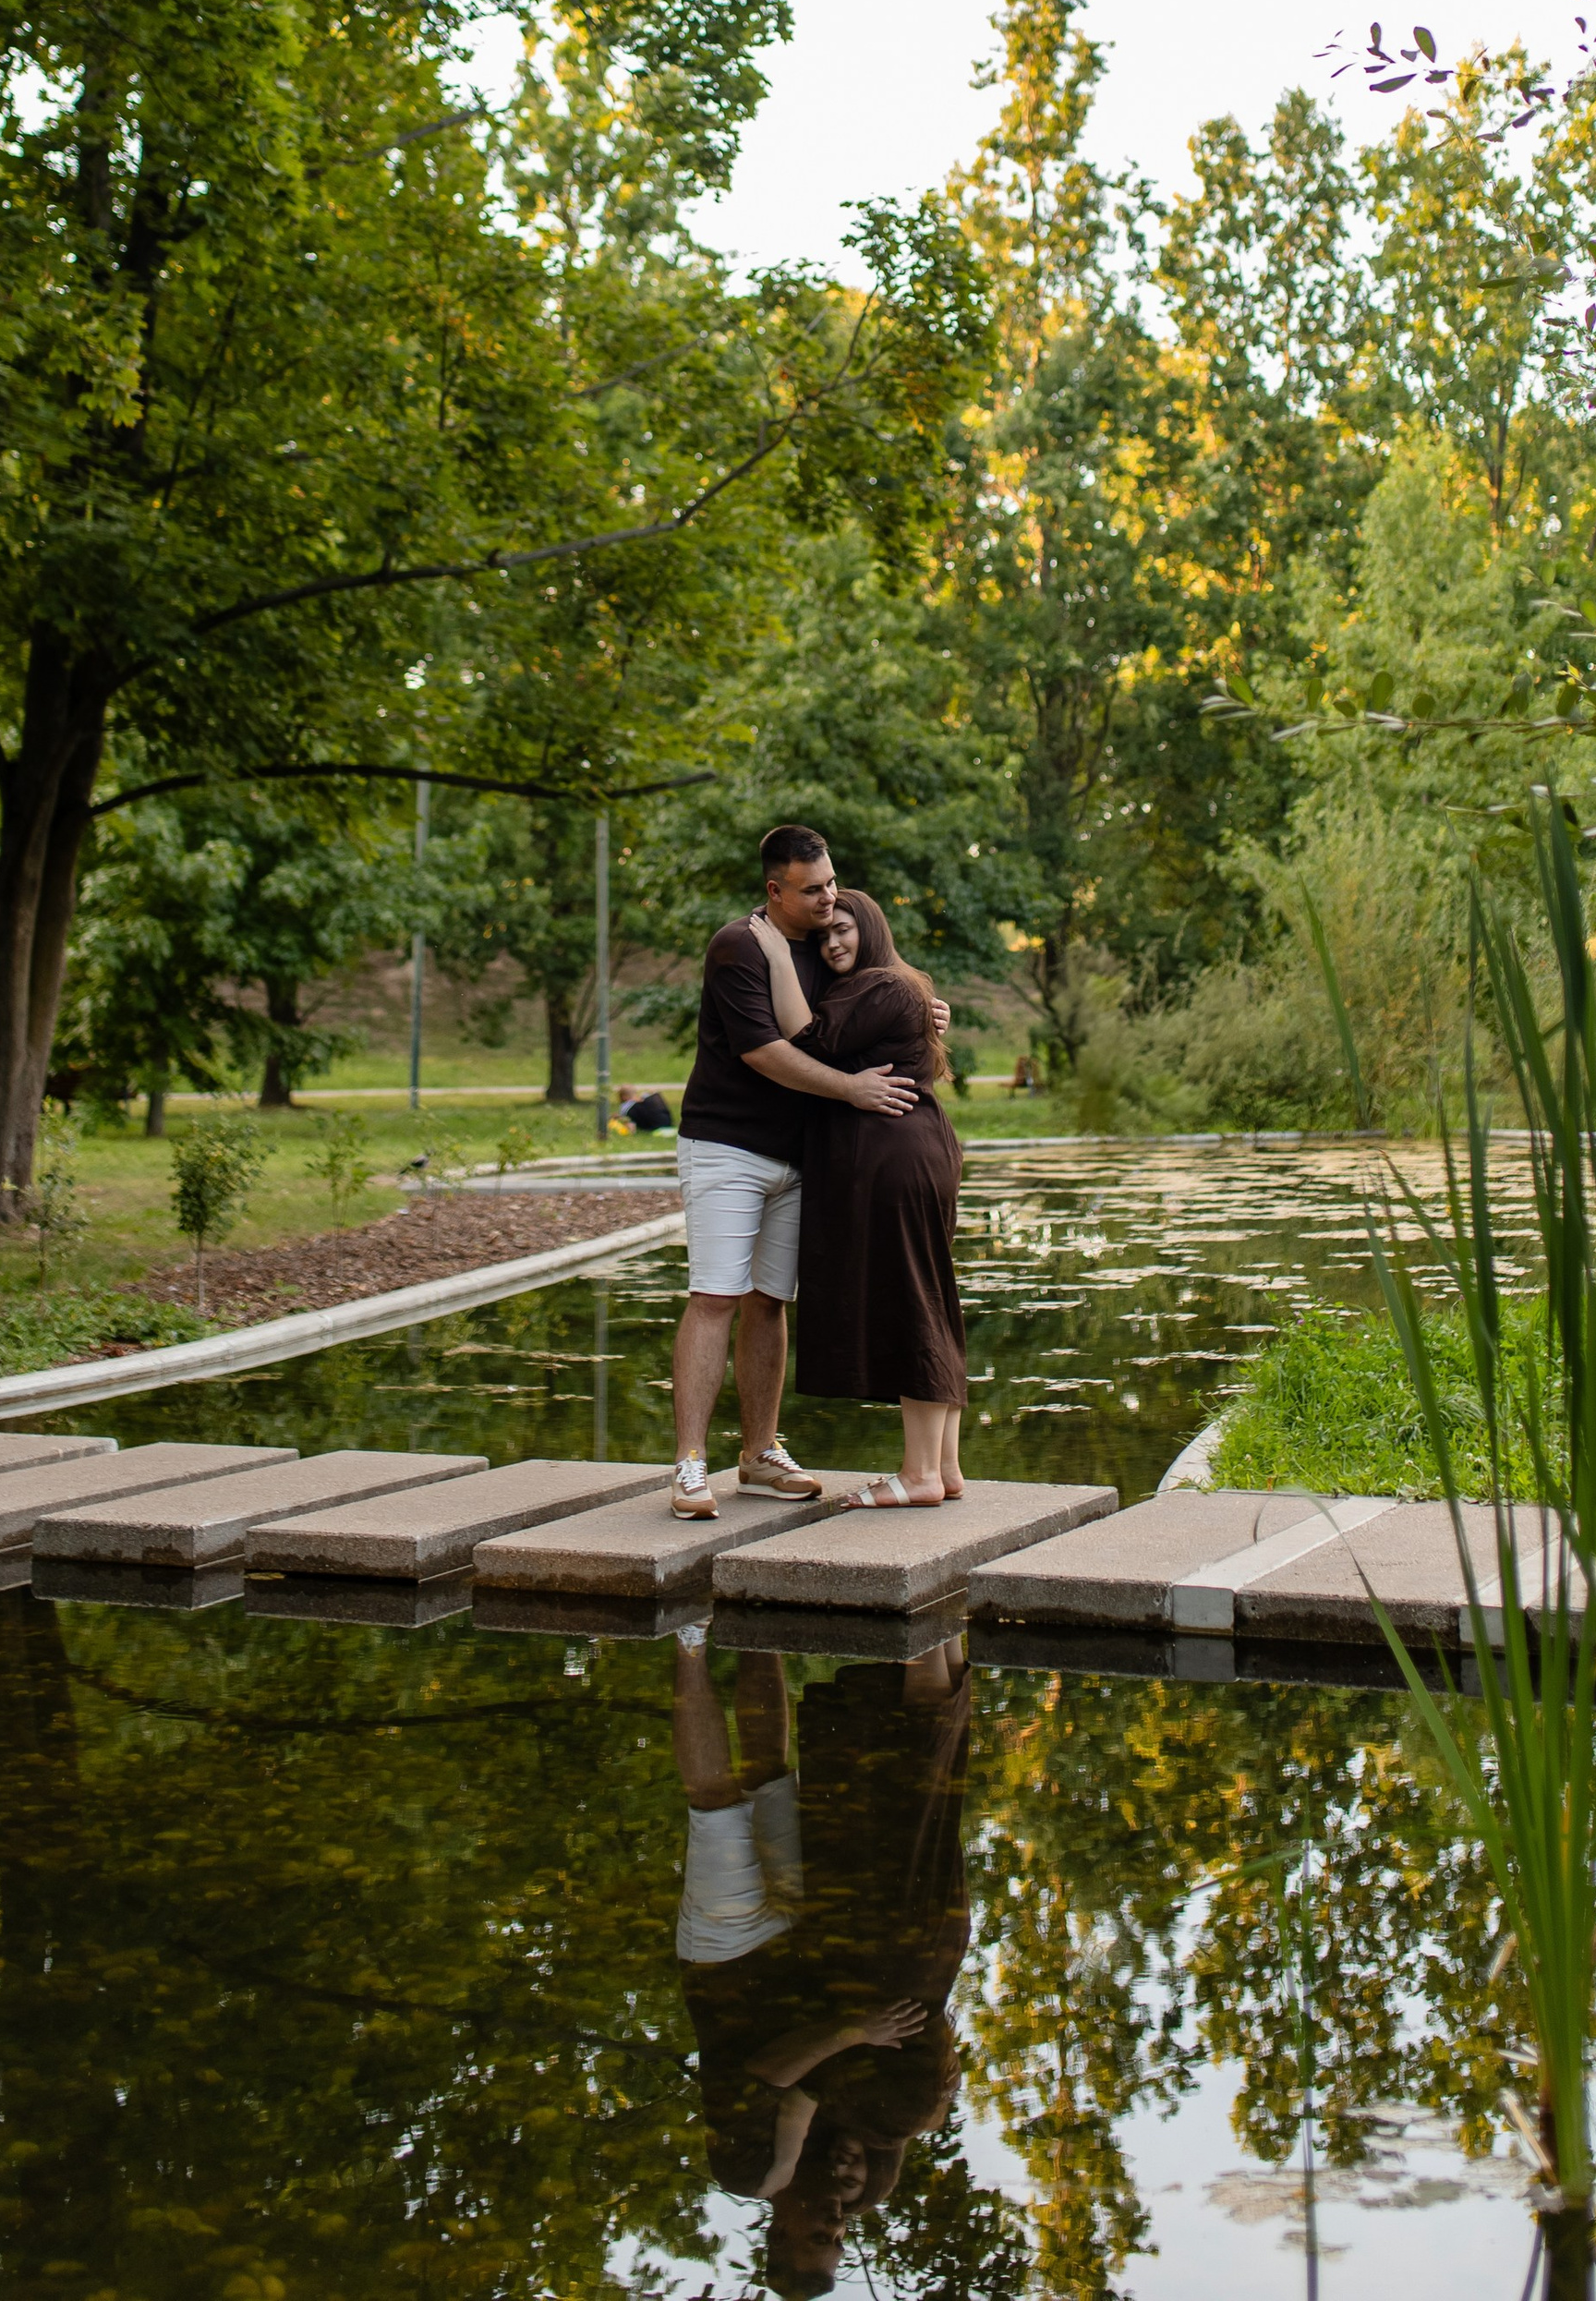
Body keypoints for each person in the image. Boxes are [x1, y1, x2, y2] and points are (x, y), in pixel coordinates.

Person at [671, 1631, 973, 2298]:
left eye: (817, 2238)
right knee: (771, 1772)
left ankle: (689, 1641)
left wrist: (850, 2035)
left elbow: (774, 2073)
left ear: (777, 2236)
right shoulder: (856, 2148)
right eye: (838, 2242)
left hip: (728, 1965)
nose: (834, 2226)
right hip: (804, 1947)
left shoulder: (755, 2173)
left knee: (717, 1802)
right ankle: (755, 1622)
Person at [669, 826, 918, 1521]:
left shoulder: (821, 942)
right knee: (716, 1295)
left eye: (832, 882)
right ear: (774, 890)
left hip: (799, 1154)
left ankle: (758, 1454)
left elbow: (859, 1006)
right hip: (727, 1146)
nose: (828, 898)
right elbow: (766, 1052)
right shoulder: (739, 947)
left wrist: (920, 1006)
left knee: (770, 1300)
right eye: (813, 889)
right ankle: (691, 1464)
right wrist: (850, 1089)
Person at [750, 887, 969, 1510]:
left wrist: (773, 951)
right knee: (927, 1299)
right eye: (823, 937)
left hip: (897, 1159)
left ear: (869, 929)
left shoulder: (886, 986)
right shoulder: (894, 989)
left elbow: (811, 1038)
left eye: (842, 929)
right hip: (909, 1156)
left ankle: (920, 1474)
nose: (833, 942)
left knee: (912, 1304)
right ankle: (944, 1469)